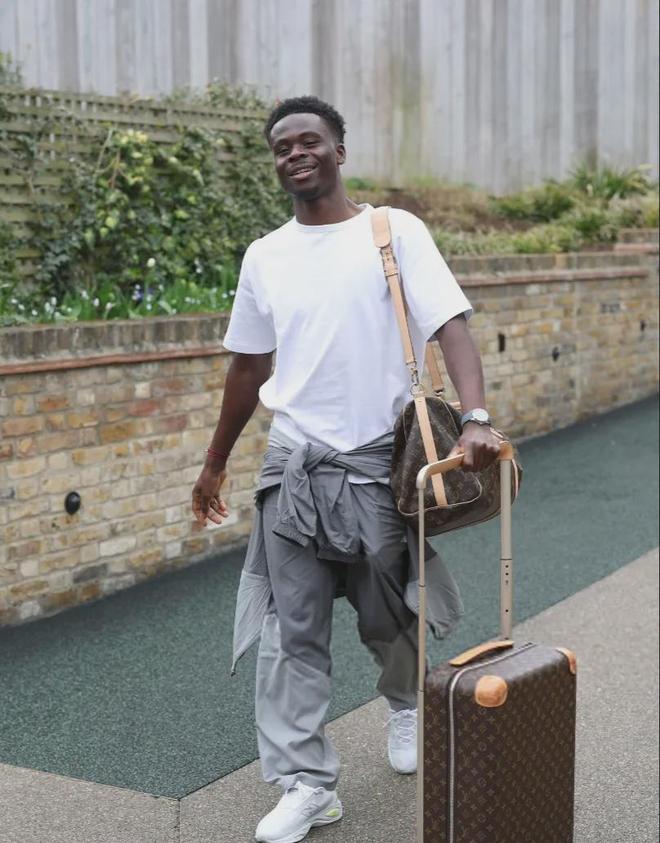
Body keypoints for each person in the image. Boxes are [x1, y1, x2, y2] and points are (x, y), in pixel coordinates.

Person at [191, 95, 501, 843]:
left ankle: (404, 704)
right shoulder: (265, 255)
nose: (295, 154)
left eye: (310, 141)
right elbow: (248, 366)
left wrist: (476, 416)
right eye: (282, 147)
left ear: (338, 150)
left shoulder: (393, 231)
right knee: (290, 631)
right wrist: (214, 462)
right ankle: (306, 784)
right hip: (291, 468)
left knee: (387, 616)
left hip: (374, 468)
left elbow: (449, 325)